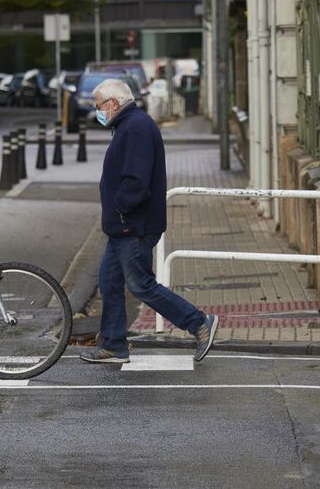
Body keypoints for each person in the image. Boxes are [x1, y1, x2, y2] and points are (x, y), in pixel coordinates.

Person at [79, 79, 219, 364]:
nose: (98, 111)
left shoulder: (135, 129)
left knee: (141, 285)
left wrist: (120, 209)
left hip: (133, 225)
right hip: (124, 226)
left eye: (99, 106)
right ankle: (114, 344)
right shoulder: (128, 126)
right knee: (109, 281)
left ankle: (199, 322)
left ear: (114, 104)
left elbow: (136, 183)